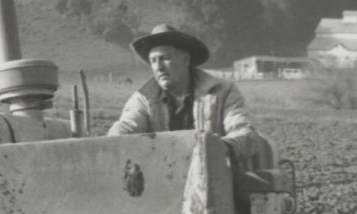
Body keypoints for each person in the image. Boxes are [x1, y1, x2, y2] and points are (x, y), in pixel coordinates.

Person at [107, 24, 262, 163]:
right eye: (153, 61)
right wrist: (109, 144)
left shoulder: (222, 92)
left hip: (215, 177)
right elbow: (125, 128)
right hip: (162, 179)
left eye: (165, 58)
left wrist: (221, 148)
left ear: (185, 60)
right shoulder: (144, 98)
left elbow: (246, 134)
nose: (158, 67)